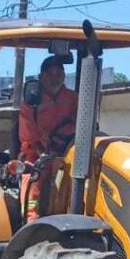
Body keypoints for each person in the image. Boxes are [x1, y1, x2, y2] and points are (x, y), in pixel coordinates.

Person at [18, 55, 78, 220]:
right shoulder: (31, 102)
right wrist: (43, 152)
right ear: (42, 76)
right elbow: (29, 134)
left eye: (58, 73)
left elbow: (84, 122)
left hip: (68, 151)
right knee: (32, 178)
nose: (54, 78)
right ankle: (30, 218)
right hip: (38, 153)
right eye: (50, 74)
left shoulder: (73, 99)